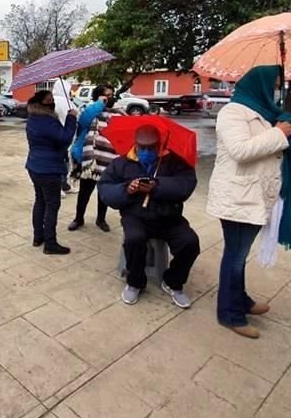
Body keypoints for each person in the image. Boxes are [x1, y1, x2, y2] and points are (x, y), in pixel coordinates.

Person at [206, 65, 291, 339]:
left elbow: (269, 145)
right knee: (235, 257)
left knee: (238, 256)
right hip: (238, 197)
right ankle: (229, 314)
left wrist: (288, 134)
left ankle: (241, 300)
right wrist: (279, 134)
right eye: (272, 84)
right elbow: (241, 150)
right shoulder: (232, 112)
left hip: (254, 196)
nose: (275, 89)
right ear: (258, 84)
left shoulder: (265, 114)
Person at [98, 125, 200, 308]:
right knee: (134, 239)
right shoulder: (121, 163)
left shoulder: (174, 161)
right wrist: (127, 190)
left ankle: (173, 282)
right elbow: (105, 189)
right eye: (142, 148)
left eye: (151, 148)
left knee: (190, 242)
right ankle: (135, 282)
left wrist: (157, 186)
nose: (146, 152)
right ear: (135, 145)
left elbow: (186, 185)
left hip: (170, 216)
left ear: (159, 145)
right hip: (136, 215)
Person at [25, 90, 78, 255]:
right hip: (49, 169)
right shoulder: (46, 120)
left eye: (52, 99)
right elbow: (64, 138)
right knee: (52, 205)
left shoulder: (33, 117)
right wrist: (71, 118)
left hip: (35, 166)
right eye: (48, 100)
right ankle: (50, 243)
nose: (52, 102)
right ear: (40, 102)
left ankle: (38, 237)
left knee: (40, 201)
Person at [69, 84, 119, 233]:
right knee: (85, 191)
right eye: (106, 96)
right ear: (98, 97)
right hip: (89, 160)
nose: (109, 98)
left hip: (107, 159)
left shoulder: (115, 113)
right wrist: (99, 104)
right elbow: (84, 120)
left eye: (111, 95)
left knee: (103, 192)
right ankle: (79, 218)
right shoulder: (88, 110)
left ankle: (101, 219)